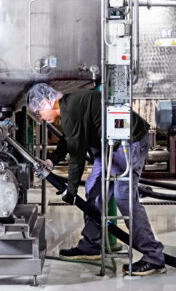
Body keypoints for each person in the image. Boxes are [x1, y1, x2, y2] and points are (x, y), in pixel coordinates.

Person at [26, 83, 167, 276]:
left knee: (123, 197)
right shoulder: (68, 106)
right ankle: (92, 244)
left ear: (46, 102)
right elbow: (69, 139)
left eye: (38, 112)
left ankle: (154, 257)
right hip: (110, 146)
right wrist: (52, 161)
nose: (40, 118)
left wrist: (71, 190)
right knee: (94, 190)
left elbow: (77, 155)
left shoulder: (71, 106)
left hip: (129, 141)